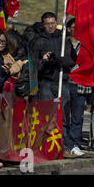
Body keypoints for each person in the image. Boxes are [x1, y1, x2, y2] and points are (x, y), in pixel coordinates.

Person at [32, 12, 75, 157]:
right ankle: (44, 146)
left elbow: (72, 60)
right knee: (46, 115)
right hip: (46, 82)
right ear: (43, 25)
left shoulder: (63, 39)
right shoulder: (39, 40)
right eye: (47, 24)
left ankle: (65, 146)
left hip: (62, 82)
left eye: (52, 23)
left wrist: (58, 60)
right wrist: (44, 60)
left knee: (63, 115)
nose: (50, 26)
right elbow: (34, 64)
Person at [65, 18, 93, 157]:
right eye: (73, 27)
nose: (76, 30)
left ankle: (74, 144)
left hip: (80, 85)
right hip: (65, 83)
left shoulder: (87, 46)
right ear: (68, 28)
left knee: (77, 117)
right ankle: (65, 144)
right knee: (64, 116)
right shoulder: (63, 43)